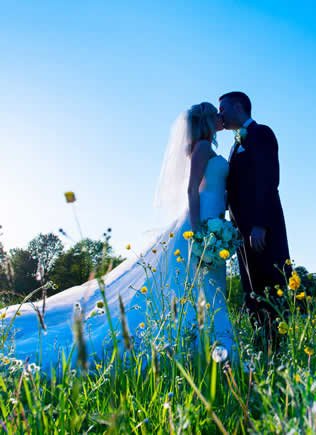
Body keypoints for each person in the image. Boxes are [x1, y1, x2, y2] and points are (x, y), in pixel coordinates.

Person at [0, 102, 236, 374]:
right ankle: (200, 347)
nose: (220, 118)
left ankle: (204, 347)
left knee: (202, 286)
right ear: (207, 122)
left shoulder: (204, 148)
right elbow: (192, 191)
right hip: (201, 225)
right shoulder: (204, 147)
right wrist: (197, 231)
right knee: (190, 286)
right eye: (215, 115)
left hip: (214, 222)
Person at [219, 91, 291, 344]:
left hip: (263, 228)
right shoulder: (235, 144)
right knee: (251, 286)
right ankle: (261, 341)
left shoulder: (262, 134)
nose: (221, 115)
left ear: (239, 106)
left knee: (270, 281)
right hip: (242, 230)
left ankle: (277, 344)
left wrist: (260, 223)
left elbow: (268, 179)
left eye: (223, 109)